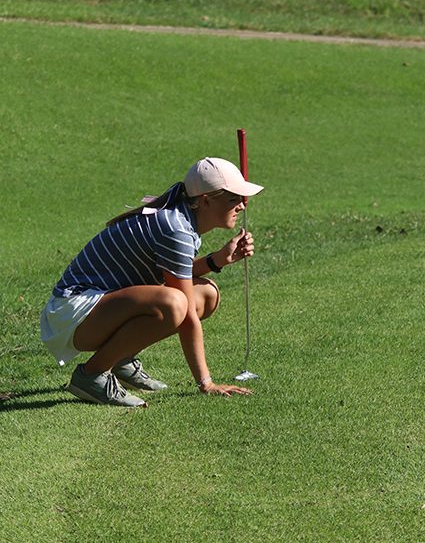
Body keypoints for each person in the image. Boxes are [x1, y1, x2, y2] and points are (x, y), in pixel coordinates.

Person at [40, 157, 263, 407]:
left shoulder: (182, 218)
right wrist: (206, 382)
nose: (242, 206)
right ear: (206, 200)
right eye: (234, 199)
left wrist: (218, 260)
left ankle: (121, 361)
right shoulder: (176, 228)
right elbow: (185, 310)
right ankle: (91, 375)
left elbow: (178, 275)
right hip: (71, 315)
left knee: (206, 294)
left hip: (97, 309)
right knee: (175, 303)